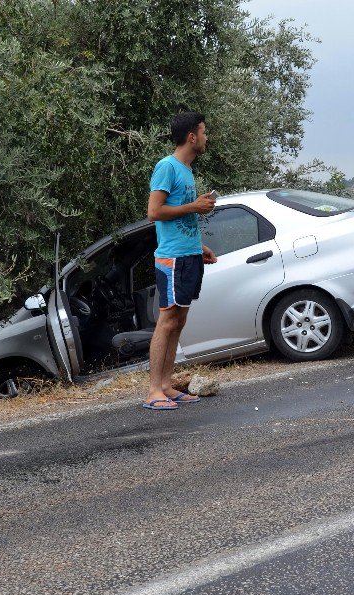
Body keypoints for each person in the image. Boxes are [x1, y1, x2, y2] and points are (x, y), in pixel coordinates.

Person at [142, 111, 218, 410]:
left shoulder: (186, 170)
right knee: (167, 320)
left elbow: (181, 219)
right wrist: (194, 206)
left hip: (188, 255)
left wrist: (199, 246)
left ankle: (165, 385)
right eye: (204, 131)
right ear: (191, 136)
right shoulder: (167, 167)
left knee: (179, 320)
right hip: (172, 259)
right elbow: (154, 212)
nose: (206, 137)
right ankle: (152, 391)